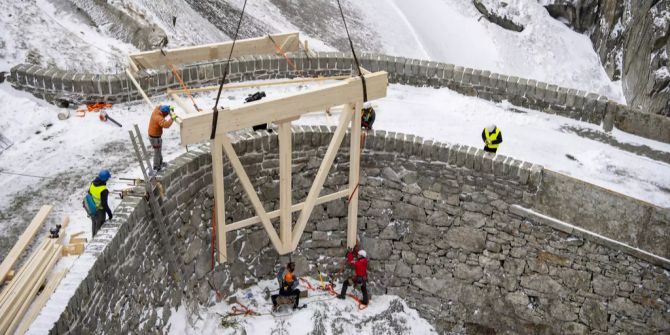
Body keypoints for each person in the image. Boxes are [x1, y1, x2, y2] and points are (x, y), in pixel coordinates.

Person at [148, 105, 176, 171]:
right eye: (167, 114)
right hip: (154, 137)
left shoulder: (157, 110)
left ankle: (160, 163)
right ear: (164, 113)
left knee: (159, 151)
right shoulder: (158, 117)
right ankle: (156, 167)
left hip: (155, 135)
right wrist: (172, 118)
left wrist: (169, 107)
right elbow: (166, 125)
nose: (167, 115)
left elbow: (159, 105)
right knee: (157, 152)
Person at [89, 169, 112, 237]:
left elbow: (89, 193)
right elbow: (104, 204)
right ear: (105, 179)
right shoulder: (103, 190)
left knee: (94, 223)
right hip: (100, 211)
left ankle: (93, 238)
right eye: (107, 178)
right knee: (99, 227)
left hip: (92, 208)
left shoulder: (93, 183)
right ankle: (95, 240)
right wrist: (110, 214)